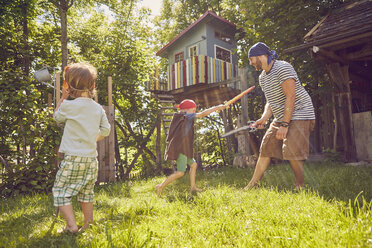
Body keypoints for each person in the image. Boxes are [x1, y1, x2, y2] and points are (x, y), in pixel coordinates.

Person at [245, 42, 315, 190]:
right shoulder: (263, 77)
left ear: (260, 56)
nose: (251, 63)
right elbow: (271, 102)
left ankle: (300, 186)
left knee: (291, 151)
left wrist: (284, 125)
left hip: (300, 112)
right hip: (282, 116)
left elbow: (291, 96)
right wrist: (264, 118)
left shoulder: (282, 67)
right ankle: (252, 185)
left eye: (251, 59)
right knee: (266, 148)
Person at [52, 63, 111, 233]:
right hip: (91, 158)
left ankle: (71, 226)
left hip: (73, 158)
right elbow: (106, 130)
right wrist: (92, 138)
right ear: (92, 85)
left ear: (68, 87)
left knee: (60, 191)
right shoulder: (98, 108)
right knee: (86, 191)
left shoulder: (69, 106)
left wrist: (63, 98)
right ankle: (88, 223)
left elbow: (57, 117)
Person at [156, 99, 226, 196]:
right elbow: (202, 114)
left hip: (185, 149)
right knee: (180, 173)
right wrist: (217, 107)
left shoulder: (183, 116)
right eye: (193, 110)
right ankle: (160, 186)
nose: (194, 112)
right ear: (186, 110)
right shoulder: (186, 116)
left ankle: (193, 187)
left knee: (193, 165)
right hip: (181, 149)